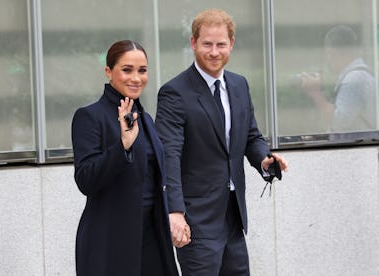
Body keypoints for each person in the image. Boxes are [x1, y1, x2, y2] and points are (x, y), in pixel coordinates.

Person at [155, 9, 289, 276]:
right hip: (196, 220)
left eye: (221, 44)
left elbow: (251, 136)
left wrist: (264, 159)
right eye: (207, 44)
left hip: (233, 217)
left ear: (232, 44)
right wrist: (175, 212)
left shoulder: (239, 85)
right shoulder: (174, 93)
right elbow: (168, 155)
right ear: (193, 43)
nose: (214, 52)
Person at [71, 40, 179, 276]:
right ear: (109, 72)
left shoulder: (146, 119)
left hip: (152, 237)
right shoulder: (89, 117)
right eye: (127, 70)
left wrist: (174, 215)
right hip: (110, 241)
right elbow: (85, 180)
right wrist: (123, 146)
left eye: (142, 70)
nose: (136, 78)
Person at [300, 25, 376, 132]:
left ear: (331, 53)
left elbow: (338, 122)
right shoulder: (359, 76)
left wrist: (316, 93)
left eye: (327, 54)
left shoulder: (354, 79)